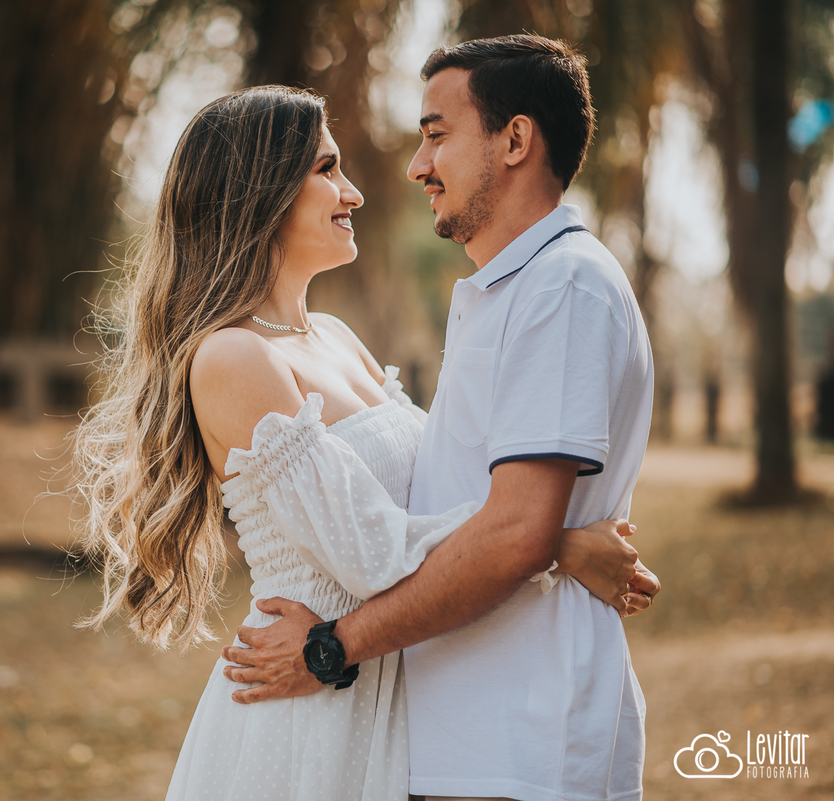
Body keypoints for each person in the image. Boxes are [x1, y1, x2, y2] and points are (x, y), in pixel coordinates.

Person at [73, 83, 656, 801]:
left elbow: (436, 492)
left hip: (381, 688)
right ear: (258, 192)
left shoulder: (338, 341)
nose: (352, 192)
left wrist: (529, 529)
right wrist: (555, 544)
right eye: (326, 170)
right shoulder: (232, 359)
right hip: (306, 715)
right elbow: (371, 552)